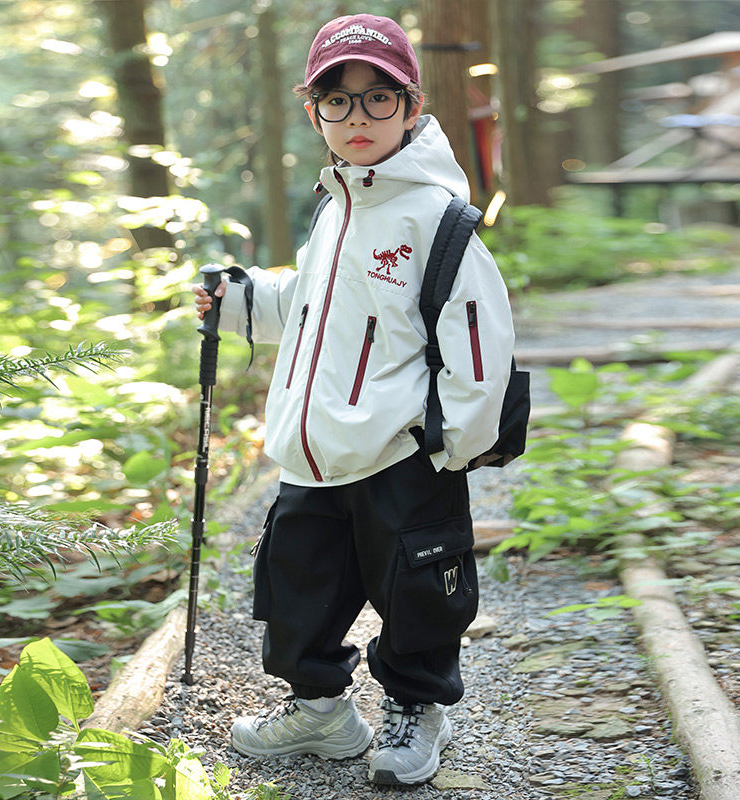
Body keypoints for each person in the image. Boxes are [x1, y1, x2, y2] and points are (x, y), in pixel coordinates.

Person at [194, 13, 514, 786]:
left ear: (411, 106)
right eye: (338, 101)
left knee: (418, 595)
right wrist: (241, 301)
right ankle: (321, 711)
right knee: (296, 587)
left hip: (402, 453)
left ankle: (416, 709)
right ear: (315, 113)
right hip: (312, 453)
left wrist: (451, 446)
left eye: (378, 98)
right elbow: (309, 307)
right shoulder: (335, 204)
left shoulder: (438, 218)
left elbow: (478, 341)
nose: (357, 117)